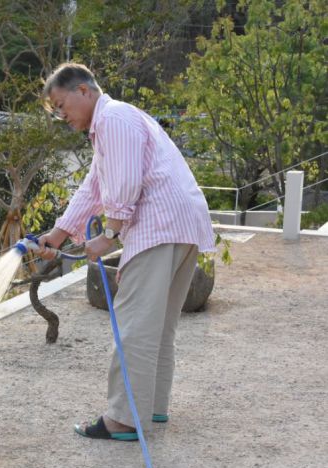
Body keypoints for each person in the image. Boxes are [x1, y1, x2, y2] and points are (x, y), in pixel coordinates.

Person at [37, 63, 215, 441]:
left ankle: (122, 419)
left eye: (61, 104)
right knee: (158, 324)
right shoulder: (113, 124)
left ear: (84, 90)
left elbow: (124, 184)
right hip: (181, 224)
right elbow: (94, 186)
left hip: (158, 226)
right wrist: (59, 233)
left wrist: (112, 234)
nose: (60, 114)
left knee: (134, 325)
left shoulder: (113, 120)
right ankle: (151, 408)